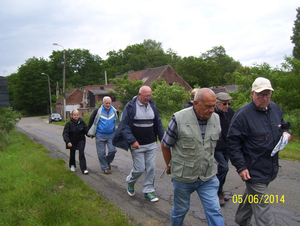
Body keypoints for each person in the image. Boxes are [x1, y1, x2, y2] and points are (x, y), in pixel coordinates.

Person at [227, 77, 291, 226]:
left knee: (253, 196)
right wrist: (241, 167)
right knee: (263, 207)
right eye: (261, 94)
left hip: (269, 166)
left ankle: (241, 220)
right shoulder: (243, 114)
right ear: (252, 94)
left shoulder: (274, 108)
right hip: (253, 169)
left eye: (267, 94)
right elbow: (233, 142)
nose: (264, 98)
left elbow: (282, 125)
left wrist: (285, 132)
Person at [161, 88, 224, 226]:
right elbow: (165, 145)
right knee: (180, 210)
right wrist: (169, 165)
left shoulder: (216, 119)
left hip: (207, 176)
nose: (212, 110)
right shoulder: (179, 119)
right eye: (208, 106)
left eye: (213, 106)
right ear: (195, 103)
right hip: (184, 177)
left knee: (214, 210)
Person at [113, 86, 164, 202]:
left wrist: (163, 140)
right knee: (140, 168)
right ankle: (130, 182)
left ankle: (148, 191)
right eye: (146, 96)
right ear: (139, 94)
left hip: (151, 143)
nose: (148, 98)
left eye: (150, 95)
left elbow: (158, 123)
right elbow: (124, 126)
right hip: (137, 144)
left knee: (151, 168)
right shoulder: (130, 106)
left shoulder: (152, 105)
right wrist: (132, 141)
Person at [87, 96, 119, 174]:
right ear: (103, 103)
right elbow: (92, 121)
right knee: (101, 153)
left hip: (111, 135)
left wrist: (118, 133)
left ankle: (107, 161)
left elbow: (117, 122)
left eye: (109, 103)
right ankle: (105, 168)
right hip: (100, 135)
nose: (108, 105)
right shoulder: (98, 111)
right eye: (106, 103)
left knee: (113, 150)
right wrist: (91, 133)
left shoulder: (114, 111)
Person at [214, 92, 235, 206]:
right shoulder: (213, 113)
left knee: (223, 170)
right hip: (216, 147)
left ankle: (218, 190)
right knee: (224, 167)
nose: (227, 106)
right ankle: (217, 191)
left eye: (228, 103)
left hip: (227, 146)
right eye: (224, 104)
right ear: (217, 103)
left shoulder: (230, 112)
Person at [62, 110, 89, 174]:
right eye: (75, 115)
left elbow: (86, 130)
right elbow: (65, 134)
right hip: (72, 140)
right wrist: (68, 141)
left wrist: (90, 135)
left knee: (81, 153)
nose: (76, 116)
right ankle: (72, 165)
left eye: (77, 115)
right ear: (72, 116)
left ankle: (84, 169)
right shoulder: (69, 124)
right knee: (72, 153)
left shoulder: (81, 122)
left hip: (81, 140)